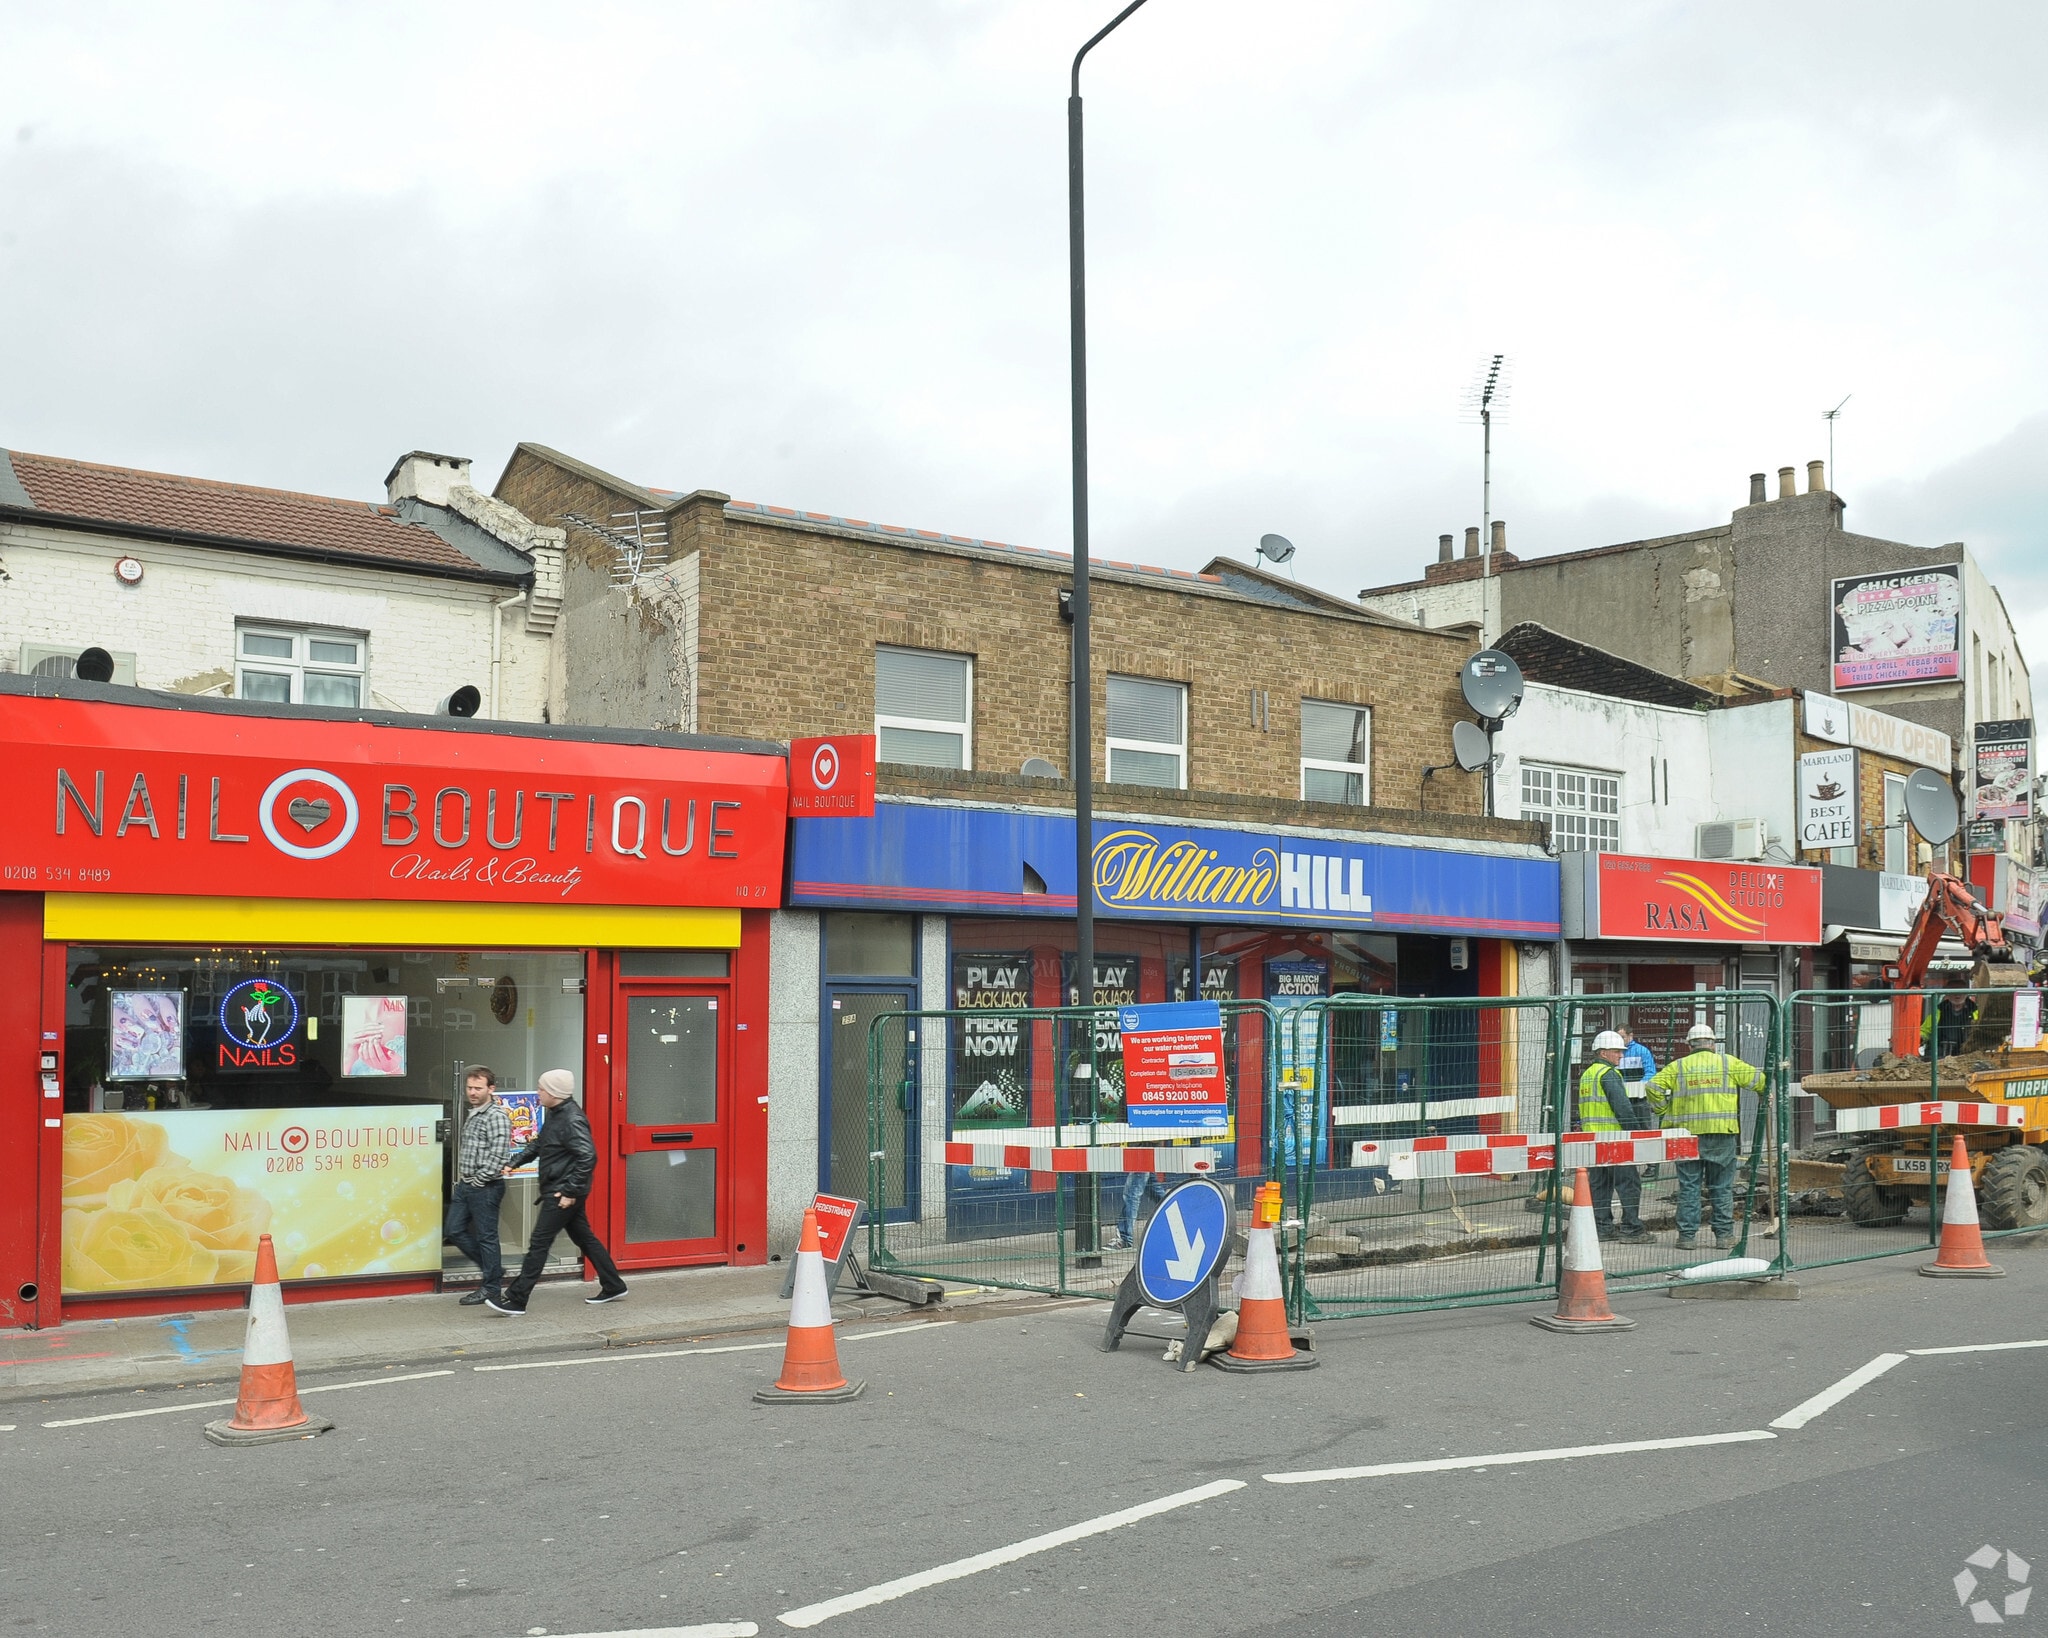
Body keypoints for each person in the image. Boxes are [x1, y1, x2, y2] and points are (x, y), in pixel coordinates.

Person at [486, 1069, 628, 1313]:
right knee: (584, 1238)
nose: (538, 1092)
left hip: (562, 1193)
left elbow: (588, 1156)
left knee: (539, 1243)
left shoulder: (572, 1120)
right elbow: (540, 1144)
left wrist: (570, 1192)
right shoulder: (556, 1114)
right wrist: (514, 1163)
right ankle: (613, 1284)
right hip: (563, 1189)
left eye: (541, 1089)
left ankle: (517, 1299)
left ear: (554, 1093)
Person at [1647, 1020, 1766, 1251]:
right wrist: (1763, 1092)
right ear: (1713, 1044)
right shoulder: (1727, 1062)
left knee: (1689, 1186)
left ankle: (1687, 1237)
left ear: (1689, 1045)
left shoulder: (1679, 1066)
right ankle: (1724, 1236)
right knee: (1721, 1187)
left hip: (1687, 1136)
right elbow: (1760, 1080)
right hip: (1721, 1134)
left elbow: (1653, 1087)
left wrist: (1663, 1110)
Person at [443, 1066, 512, 1306]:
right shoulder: (474, 1112)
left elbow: (499, 1155)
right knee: (453, 1230)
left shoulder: (496, 1116)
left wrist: (479, 1180)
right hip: (467, 1183)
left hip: (485, 1186)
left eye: (478, 1088)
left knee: (486, 1237)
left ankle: (491, 1288)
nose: (472, 1092)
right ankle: (493, 1270)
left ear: (491, 1089)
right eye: (469, 1088)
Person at [1577, 1031, 1649, 1242]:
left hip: (1593, 1141)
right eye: (1617, 1051)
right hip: (1615, 1140)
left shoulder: (1588, 1075)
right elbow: (1623, 1109)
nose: (1621, 1055)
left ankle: (1602, 1229)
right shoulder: (1609, 1075)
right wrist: (1636, 1134)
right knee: (1629, 1184)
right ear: (1603, 1053)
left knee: (1600, 1185)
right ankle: (1631, 1229)